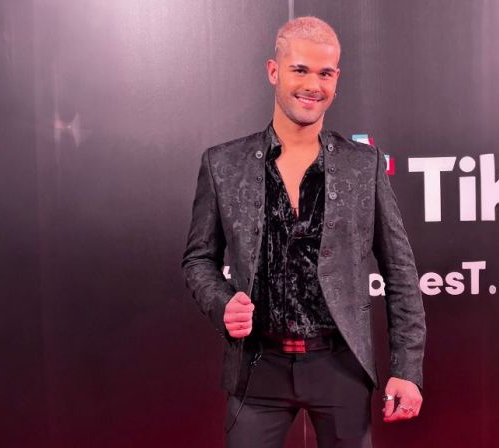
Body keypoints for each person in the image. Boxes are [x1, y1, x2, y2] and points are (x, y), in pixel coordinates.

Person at [181, 16, 425, 448]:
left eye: (325, 73)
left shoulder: (363, 165)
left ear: (337, 78)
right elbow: (199, 259)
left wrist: (407, 370)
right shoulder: (223, 164)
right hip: (257, 367)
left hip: (341, 365)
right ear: (273, 71)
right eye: (300, 70)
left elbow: (400, 270)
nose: (313, 85)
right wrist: (222, 303)